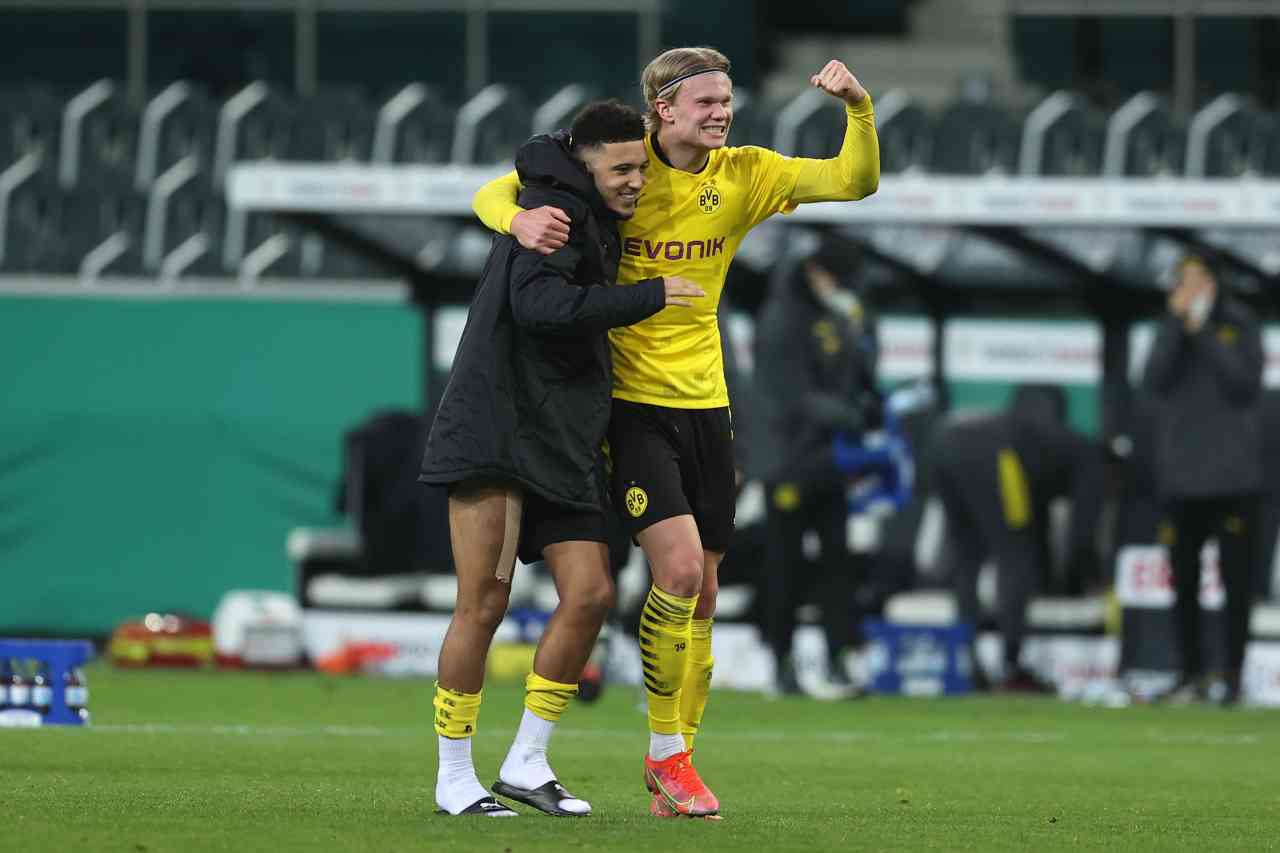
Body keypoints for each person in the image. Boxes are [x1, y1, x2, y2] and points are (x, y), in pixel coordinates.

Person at [471, 46, 879, 817]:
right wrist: (520, 218)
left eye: (728, 99)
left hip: (709, 405)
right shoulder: (622, 168)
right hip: (628, 406)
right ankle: (668, 754)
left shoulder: (746, 174)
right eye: (708, 102)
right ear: (663, 109)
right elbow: (494, 190)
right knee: (682, 568)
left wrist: (857, 108)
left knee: (704, 595)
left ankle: (673, 767)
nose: (723, 112)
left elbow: (853, 179)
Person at [419, 101, 704, 818]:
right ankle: (454, 774)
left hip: (562, 436)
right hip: (498, 429)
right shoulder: (552, 210)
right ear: (586, 165)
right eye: (623, 169)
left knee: (591, 594)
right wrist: (649, 296)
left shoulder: (576, 209)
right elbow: (541, 305)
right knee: (484, 600)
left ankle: (525, 761)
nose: (637, 180)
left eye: (641, 165)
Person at [751, 234, 881, 698]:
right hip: (787, 461)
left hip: (830, 459)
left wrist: (871, 399)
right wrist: (851, 414)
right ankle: (781, 662)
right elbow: (790, 395)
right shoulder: (781, 317)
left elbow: (854, 376)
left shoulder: (842, 315)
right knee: (784, 565)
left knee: (837, 565)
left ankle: (841, 659)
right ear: (815, 273)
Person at [1143, 255, 1263, 705]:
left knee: (1236, 585)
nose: (1184, 287)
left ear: (1210, 281)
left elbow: (1243, 384)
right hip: (1181, 479)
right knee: (1184, 584)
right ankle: (1189, 673)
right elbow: (1152, 379)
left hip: (1233, 479)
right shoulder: (1167, 325)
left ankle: (1231, 675)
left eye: (1192, 279)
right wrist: (1178, 326)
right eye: (1179, 280)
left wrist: (1202, 330)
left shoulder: (1238, 322)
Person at [929, 386, 1104, 691]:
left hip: (946, 445)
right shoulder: (1086, 454)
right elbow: (1081, 533)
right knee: (1016, 555)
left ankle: (968, 661)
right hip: (998, 454)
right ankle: (1011, 665)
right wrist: (1088, 577)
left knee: (967, 556)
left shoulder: (1038, 437)